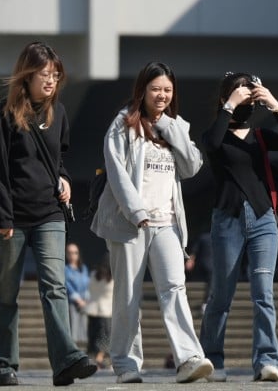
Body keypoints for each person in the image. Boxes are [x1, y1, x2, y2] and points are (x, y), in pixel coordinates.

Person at [91, 60, 214, 384]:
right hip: (129, 223)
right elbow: (116, 172)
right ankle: (126, 364)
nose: (161, 95)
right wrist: (137, 212)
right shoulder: (123, 124)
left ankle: (189, 358)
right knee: (128, 296)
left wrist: (173, 129)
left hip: (168, 223)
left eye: (168, 90)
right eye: (156, 89)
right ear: (143, 90)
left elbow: (192, 167)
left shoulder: (176, 126)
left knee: (175, 287)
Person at [0, 41, 97, 388]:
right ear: (27, 75)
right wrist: (3, 218)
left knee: (55, 287)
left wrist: (63, 178)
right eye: (44, 74)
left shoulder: (58, 112)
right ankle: (2, 365)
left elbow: (57, 158)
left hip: (50, 212)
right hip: (12, 217)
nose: (51, 80)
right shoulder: (3, 114)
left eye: (55, 74)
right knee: (6, 291)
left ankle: (65, 361)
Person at [200, 71, 278, 383]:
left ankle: (267, 360)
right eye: (238, 91)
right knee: (221, 294)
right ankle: (213, 358)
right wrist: (229, 105)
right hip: (227, 219)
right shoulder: (215, 132)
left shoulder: (260, 136)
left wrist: (274, 105)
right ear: (225, 97)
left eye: (248, 92)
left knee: (263, 292)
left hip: (263, 218)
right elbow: (212, 145)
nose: (245, 96)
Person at [84, 257, 113, 370]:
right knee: (105, 337)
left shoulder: (93, 275)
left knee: (93, 336)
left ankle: (95, 359)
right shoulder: (111, 277)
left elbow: (89, 289)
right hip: (106, 311)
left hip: (92, 310)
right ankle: (99, 359)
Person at [65, 243, 90, 345]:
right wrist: (77, 299)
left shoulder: (83, 268)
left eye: (75, 253)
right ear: (66, 254)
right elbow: (67, 285)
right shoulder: (65, 269)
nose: (72, 255)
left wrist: (85, 299)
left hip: (85, 302)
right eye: (70, 253)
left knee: (84, 327)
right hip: (73, 302)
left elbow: (88, 284)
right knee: (74, 326)